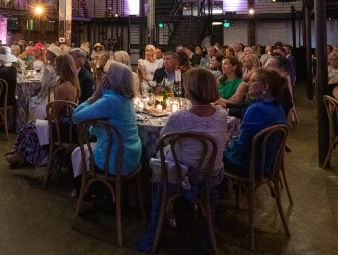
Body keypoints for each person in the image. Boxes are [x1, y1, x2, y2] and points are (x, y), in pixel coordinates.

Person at [138, 68, 228, 248]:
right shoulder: (222, 115)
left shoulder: (179, 118)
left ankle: (163, 213)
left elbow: (162, 140)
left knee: (157, 159)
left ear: (190, 90)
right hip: (213, 174)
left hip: (185, 175)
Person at [71, 61, 141, 207]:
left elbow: (76, 116)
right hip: (131, 156)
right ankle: (94, 195)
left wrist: (95, 95)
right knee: (81, 150)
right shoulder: (126, 99)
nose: (101, 78)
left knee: (75, 153)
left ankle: (89, 196)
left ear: (111, 79)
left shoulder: (109, 100)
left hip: (114, 161)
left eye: (105, 75)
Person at [5, 54, 80, 168]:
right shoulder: (72, 84)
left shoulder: (64, 87)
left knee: (30, 127)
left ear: (62, 67)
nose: (55, 68)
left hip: (61, 128)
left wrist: (45, 117)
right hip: (68, 125)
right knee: (30, 125)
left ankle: (21, 156)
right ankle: (20, 155)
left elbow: (54, 114)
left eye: (57, 66)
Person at [223, 68, 288, 176]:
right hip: (268, 164)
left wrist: (226, 145)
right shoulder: (277, 106)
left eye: (253, 81)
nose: (248, 84)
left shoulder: (256, 109)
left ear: (265, 86)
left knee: (211, 153)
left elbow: (241, 146)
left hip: (249, 167)